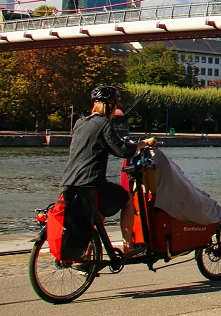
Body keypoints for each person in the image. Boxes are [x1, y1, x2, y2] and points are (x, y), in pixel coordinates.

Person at [59, 86, 157, 260]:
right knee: (126, 199)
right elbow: (123, 151)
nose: (117, 108)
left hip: (69, 182)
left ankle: (86, 256)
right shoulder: (104, 123)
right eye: (115, 105)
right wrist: (143, 143)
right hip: (90, 182)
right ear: (110, 106)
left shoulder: (80, 122)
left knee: (96, 214)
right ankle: (128, 247)